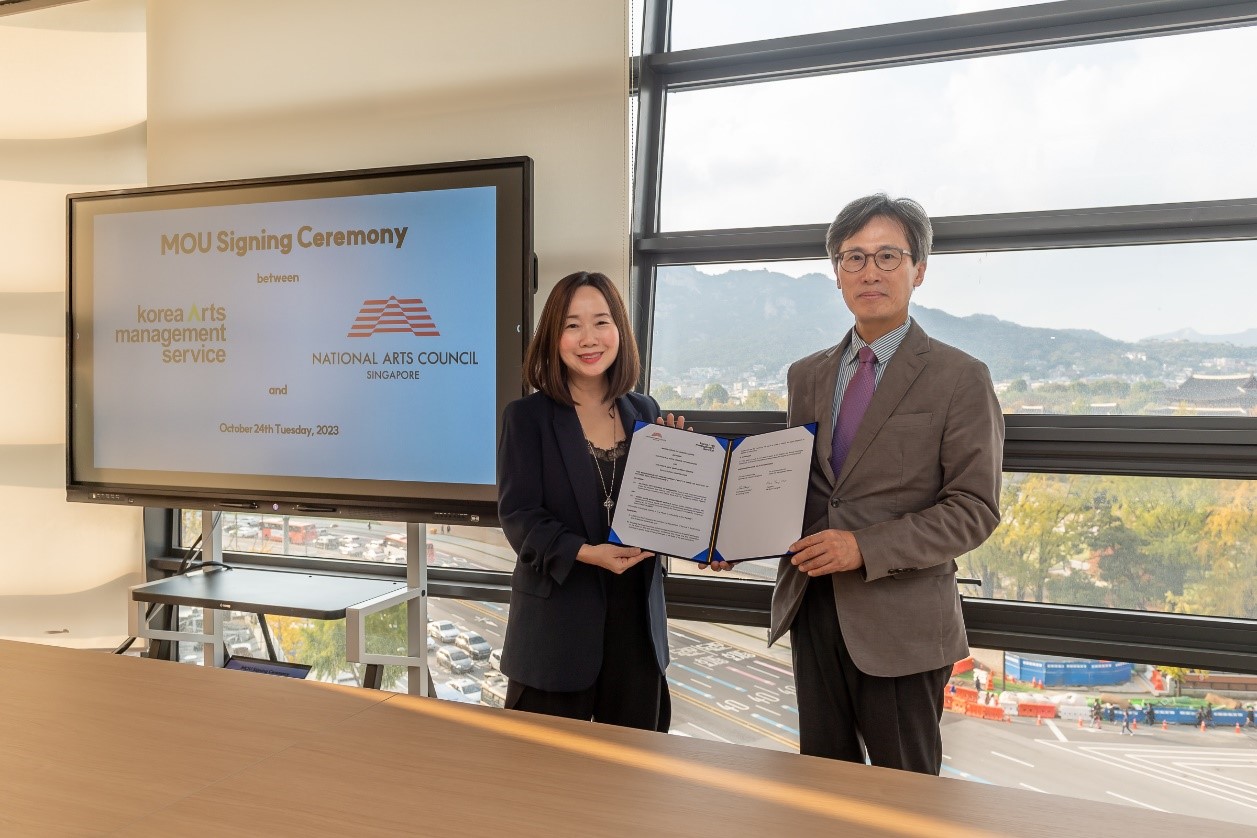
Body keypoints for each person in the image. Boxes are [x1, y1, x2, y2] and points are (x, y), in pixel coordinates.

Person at [763, 194, 1004, 774]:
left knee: (907, 797)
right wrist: (733, 536)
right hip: (812, 606)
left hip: (903, 624)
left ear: (919, 269)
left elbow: (974, 508)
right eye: (853, 258)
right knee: (821, 782)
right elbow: (799, 488)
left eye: (888, 256)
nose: (869, 271)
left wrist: (863, 547)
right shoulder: (806, 375)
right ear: (837, 274)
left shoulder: (960, 377)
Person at [496, 270, 677, 731]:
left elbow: (657, 509)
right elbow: (519, 516)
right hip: (555, 631)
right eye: (572, 325)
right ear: (553, 337)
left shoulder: (647, 412)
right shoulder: (527, 418)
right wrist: (585, 552)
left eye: (601, 322)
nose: (588, 338)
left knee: (632, 785)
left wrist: (682, 468)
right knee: (543, 783)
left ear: (620, 330)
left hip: (636, 632)